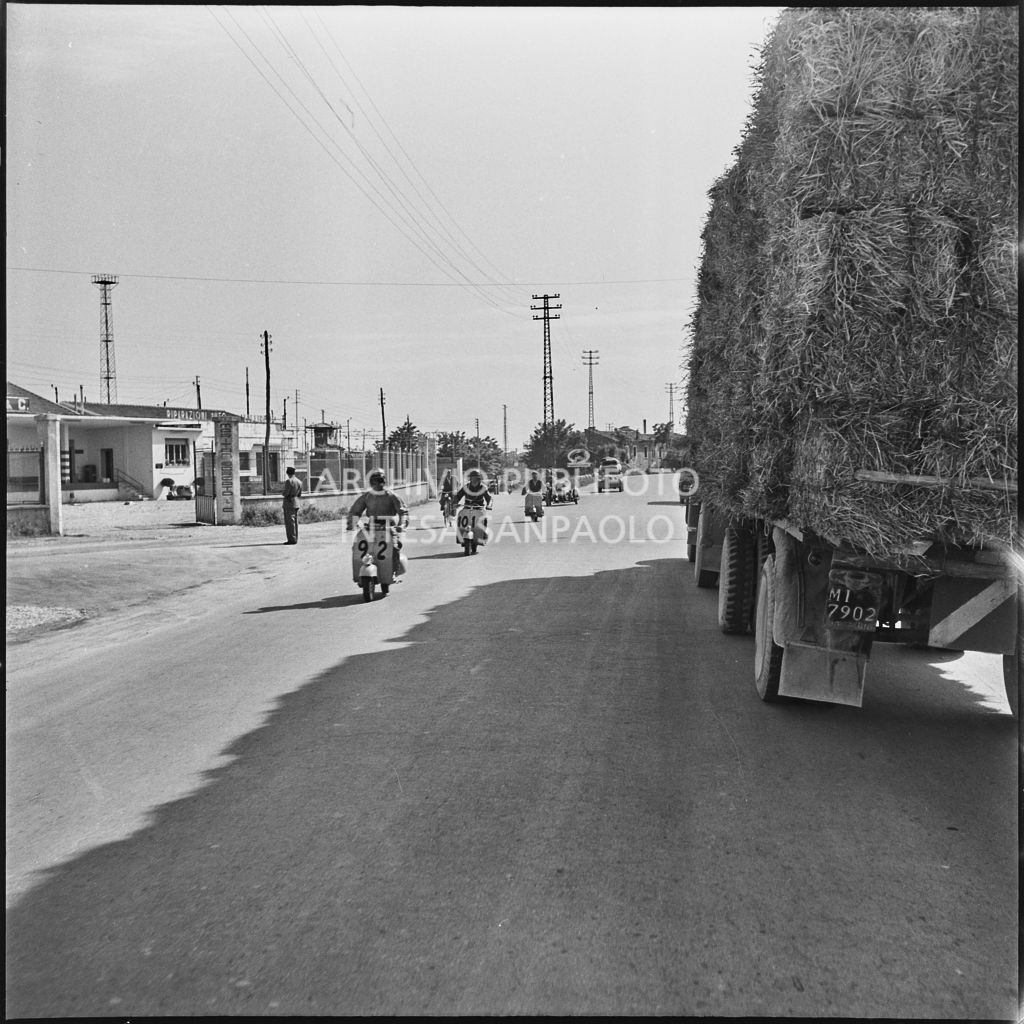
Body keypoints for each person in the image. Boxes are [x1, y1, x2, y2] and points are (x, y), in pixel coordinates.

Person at [346, 469, 410, 575]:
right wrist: (351, 523)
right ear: (371, 482)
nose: (378, 483)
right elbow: (355, 511)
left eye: (380, 480)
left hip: (389, 527)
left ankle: (393, 570)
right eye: (375, 481)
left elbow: (403, 512)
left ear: (384, 481)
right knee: (357, 545)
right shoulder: (367, 496)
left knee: (394, 547)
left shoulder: (391, 496)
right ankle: (360, 571)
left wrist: (402, 525)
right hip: (371, 527)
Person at [281, 466, 302, 544]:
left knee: (289, 522)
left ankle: (291, 539)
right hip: (296, 502)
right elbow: (299, 494)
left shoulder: (289, 481)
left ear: (287, 473)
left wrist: (282, 493)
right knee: (295, 522)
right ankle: (295, 538)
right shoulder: (299, 481)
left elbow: (286, 493)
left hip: (289, 503)